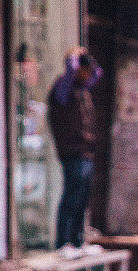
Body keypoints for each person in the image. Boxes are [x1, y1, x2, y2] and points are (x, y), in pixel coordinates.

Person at [47, 47, 103, 258]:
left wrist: (89, 60)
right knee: (72, 195)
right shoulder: (63, 88)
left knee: (83, 197)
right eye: (83, 68)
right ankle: (64, 242)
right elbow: (71, 74)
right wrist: (73, 58)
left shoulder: (83, 89)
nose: (88, 73)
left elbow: (98, 74)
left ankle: (78, 241)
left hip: (86, 151)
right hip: (72, 151)